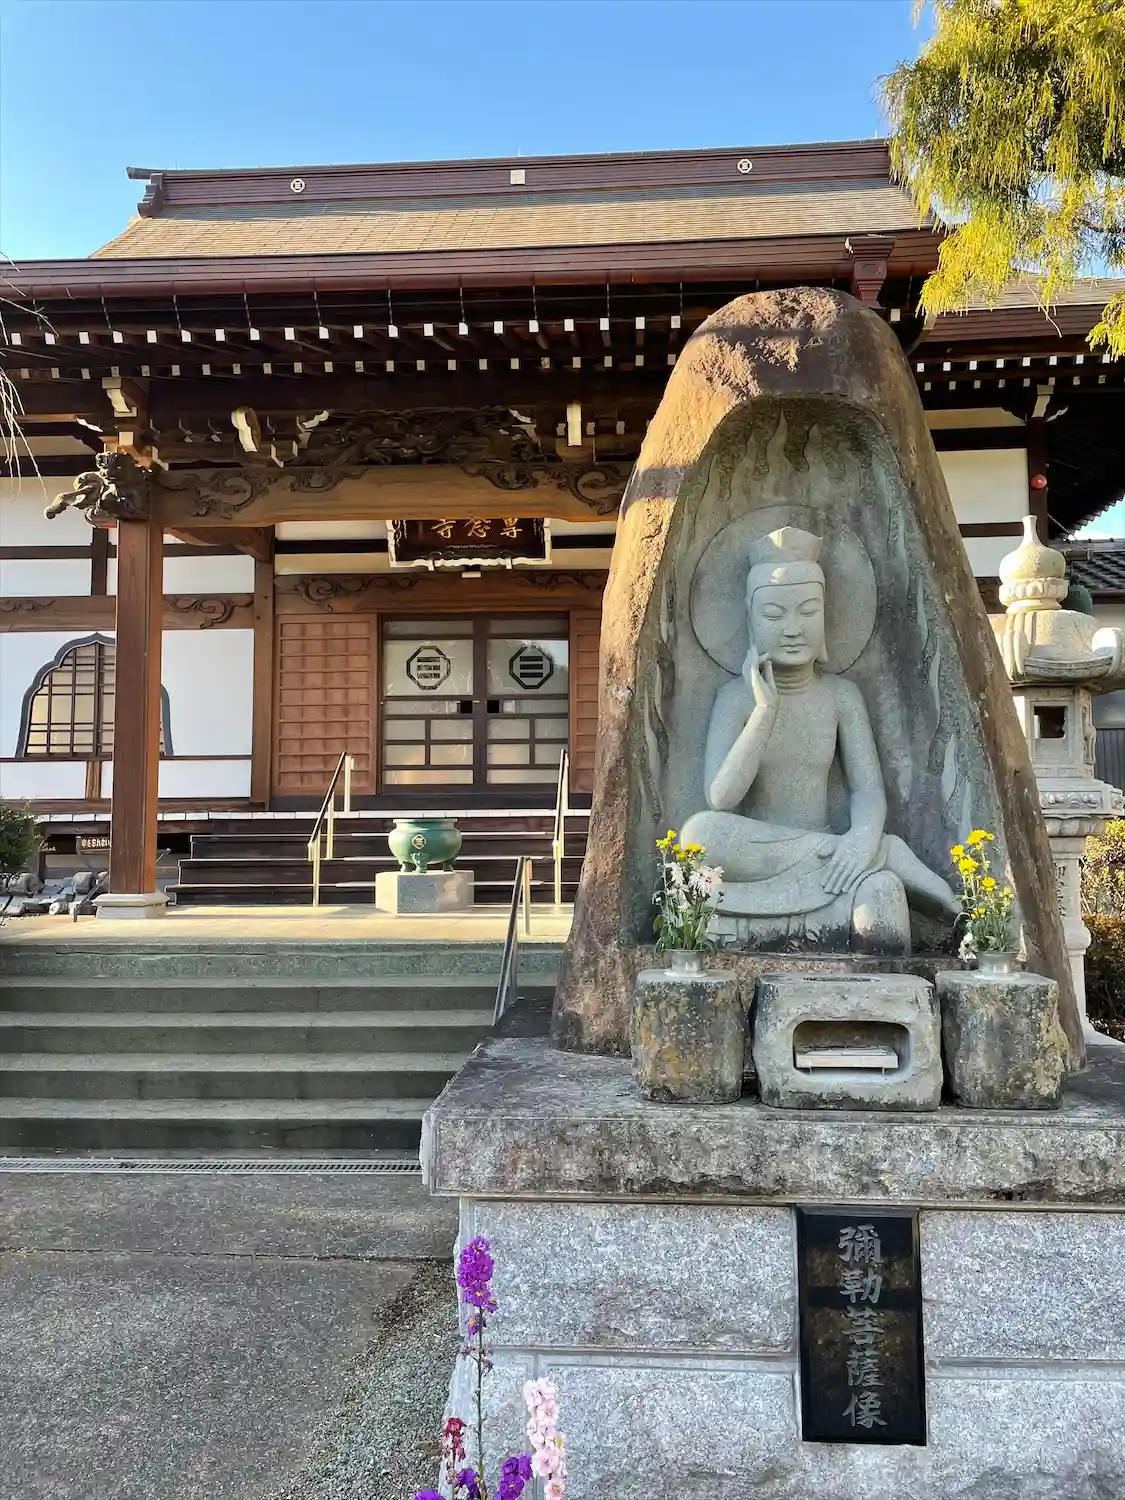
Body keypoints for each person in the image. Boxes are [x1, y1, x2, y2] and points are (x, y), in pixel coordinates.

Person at [680, 527, 958, 953]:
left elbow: (867, 789)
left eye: (808, 611)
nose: (793, 629)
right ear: (751, 621)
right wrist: (764, 711)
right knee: (699, 833)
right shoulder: (735, 699)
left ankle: (876, 860)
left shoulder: (840, 696)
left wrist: (862, 838)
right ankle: (888, 853)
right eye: (774, 615)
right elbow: (721, 798)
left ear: (825, 616)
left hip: (835, 870)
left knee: (883, 909)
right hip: (766, 863)